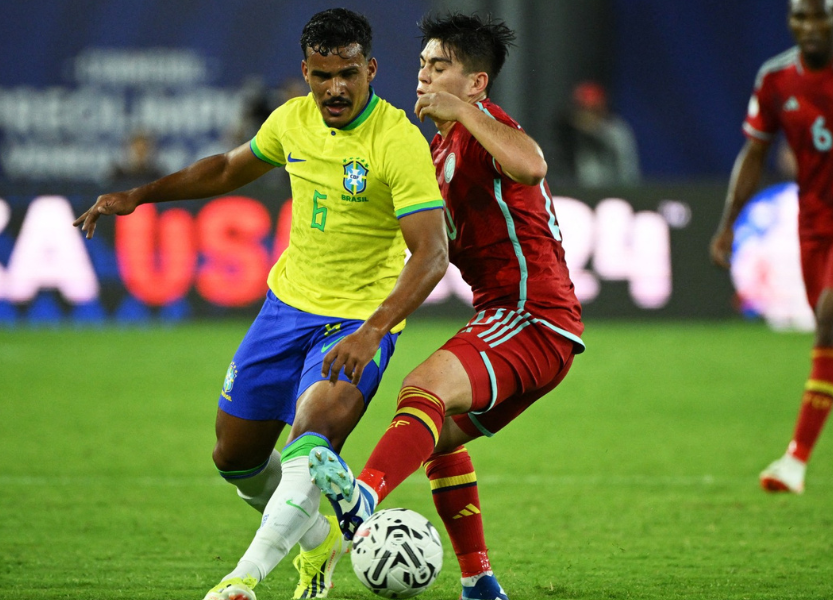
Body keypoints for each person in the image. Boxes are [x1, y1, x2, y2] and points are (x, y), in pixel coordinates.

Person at [74, 9, 448, 600]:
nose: (336, 88)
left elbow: (432, 255)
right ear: (306, 73)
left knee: (311, 439)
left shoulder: (398, 141)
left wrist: (375, 329)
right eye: (323, 75)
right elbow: (225, 168)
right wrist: (139, 195)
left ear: (371, 69)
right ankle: (316, 537)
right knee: (236, 457)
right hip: (284, 310)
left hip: (354, 322)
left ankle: (240, 581)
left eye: (349, 73)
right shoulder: (292, 121)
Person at [306, 14, 585, 600]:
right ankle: (479, 580)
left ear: (476, 83)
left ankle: (362, 500)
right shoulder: (437, 153)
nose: (424, 76)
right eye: (423, 65)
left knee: (423, 386)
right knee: (431, 436)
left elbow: (531, 165)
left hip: (534, 314)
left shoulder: (487, 129)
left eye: (440, 67)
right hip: (512, 319)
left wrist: (464, 113)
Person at [710, 0, 833, 494]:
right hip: (813, 224)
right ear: (791, 22)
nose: (811, 26)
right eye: (801, 17)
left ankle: (795, 460)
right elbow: (754, 152)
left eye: (821, 16)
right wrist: (728, 224)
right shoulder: (775, 80)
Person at [554, 80, 641, 188]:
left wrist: (592, 130)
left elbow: (627, 174)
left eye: (591, 110)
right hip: (579, 194)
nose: (586, 115)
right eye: (582, 109)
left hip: (614, 193)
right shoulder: (569, 134)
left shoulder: (616, 131)